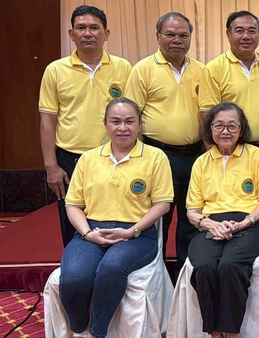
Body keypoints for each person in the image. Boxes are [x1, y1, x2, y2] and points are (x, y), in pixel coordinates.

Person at [59, 97, 173, 338]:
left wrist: (132, 231)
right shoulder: (88, 158)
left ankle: (97, 332)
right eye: (116, 121)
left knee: (111, 268)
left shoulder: (155, 157)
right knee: (73, 279)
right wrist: (87, 233)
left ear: (139, 125)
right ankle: (79, 329)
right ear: (105, 124)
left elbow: (162, 204)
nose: (123, 128)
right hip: (91, 231)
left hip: (136, 235)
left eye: (130, 121)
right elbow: (73, 205)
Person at [40, 5, 132, 247]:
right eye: (81, 28)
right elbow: (47, 120)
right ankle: (76, 264)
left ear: (106, 34)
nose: (88, 33)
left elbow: (132, 116)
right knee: (73, 222)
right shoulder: (55, 70)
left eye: (94, 28)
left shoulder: (123, 67)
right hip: (70, 160)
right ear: (71, 34)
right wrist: (51, 165)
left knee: (114, 216)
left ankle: (111, 264)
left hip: (113, 158)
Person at [186, 102, 259, 338]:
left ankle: (232, 332)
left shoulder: (257, 156)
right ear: (210, 129)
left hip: (251, 225)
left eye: (232, 126)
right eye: (219, 126)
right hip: (210, 225)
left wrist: (245, 222)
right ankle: (214, 332)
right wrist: (210, 224)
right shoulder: (201, 162)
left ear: (241, 129)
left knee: (230, 265)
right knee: (204, 267)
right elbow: (192, 210)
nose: (225, 131)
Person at [125, 12, 204, 275]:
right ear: (158, 36)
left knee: (192, 216)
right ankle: (153, 275)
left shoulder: (201, 70)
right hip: (159, 155)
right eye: (170, 34)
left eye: (183, 35)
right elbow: (132, 116)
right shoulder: (143, 69)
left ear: (190, 38)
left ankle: (186, 276)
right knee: (159, 218)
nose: (177, 40)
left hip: (195, 154)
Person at [200, 11, 259, 177]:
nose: (246, 36)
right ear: (228, 34)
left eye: (252, 31)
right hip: (234, 149)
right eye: (239, 31)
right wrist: (214, 154)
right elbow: (207, 115)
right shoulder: (214, 68)